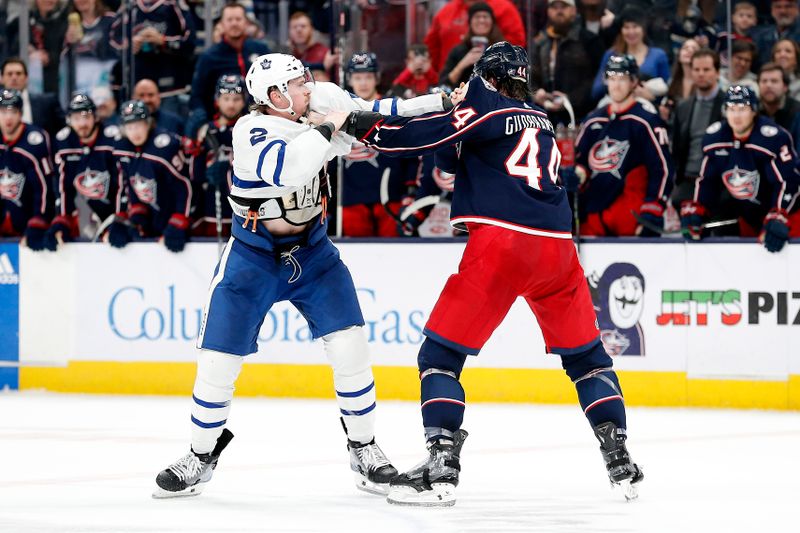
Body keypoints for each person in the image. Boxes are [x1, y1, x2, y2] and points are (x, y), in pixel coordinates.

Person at [343, 42, 643, 506]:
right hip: (559, 251)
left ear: (487, 76)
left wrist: (365, 128)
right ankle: (619, 457)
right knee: (588, 360)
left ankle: (441, 469)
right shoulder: (538, 116)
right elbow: (449, 160)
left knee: (439, 358)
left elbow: (428, 137)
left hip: (504, 244)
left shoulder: (486, 103)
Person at [152, 53, 452, 499]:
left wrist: (442, 100)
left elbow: (380, 110)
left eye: (307, 78)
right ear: (274, 96)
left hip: (312, 251)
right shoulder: (250, 130)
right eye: (298, 83)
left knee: (351, 346)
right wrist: (331, 126)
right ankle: (200, 455)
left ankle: (364, 450)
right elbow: (288, 167)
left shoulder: (320, 98)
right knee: (218, 362)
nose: (309, 87)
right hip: (252, 255)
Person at [681, 85, 800, 252]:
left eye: (743, 109)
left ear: (754, 111)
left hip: (788, 215)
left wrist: (780, 214)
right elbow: (708, 181)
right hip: (749, 215)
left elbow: (788, 181)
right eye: (731, 108)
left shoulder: (773, 138)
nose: (736, 115)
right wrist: (699, 208)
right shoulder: (714, 138)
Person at [571, 54, 674, 237]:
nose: (615, 85)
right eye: (611, 78)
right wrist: (577, 174)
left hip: (631, 215)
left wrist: (653, 209)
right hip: (595, 212)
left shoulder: (646, 120)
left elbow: (663, 169)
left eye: (622, 79)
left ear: (634, 82)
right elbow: (580, 161)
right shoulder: (594, 119)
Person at [340, 52, 418, 237]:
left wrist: (410, 189)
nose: (363, 83)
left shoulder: (392, 109)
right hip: (351, 199)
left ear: (377, 78)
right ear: (349, 80)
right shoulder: (338, 110)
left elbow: (410, 151)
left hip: (390, 197)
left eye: (368, 77)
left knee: (394, 256)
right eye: (358, 77)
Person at [112, 100, 192, 252]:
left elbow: (185, 186)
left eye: (138, 125)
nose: (134, 132)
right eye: (129, 127)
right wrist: (128, 216)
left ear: (148, 123)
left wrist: (180, 219)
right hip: (151, 217)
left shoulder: (165, 146)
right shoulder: (121, 148)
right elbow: (125, 184)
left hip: (174, 214)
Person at [47, 93, 124, 249]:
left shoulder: (112, 138)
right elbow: (63, 188)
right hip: (85, 212)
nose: (82, 123)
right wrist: (63, 219)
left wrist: (120, 220)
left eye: (86, 117)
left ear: (95, 117)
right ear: (69, 120)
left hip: (112, 209)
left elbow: (122, 184)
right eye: (76, 118)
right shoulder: (63, 141)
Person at [187, 2, 270, 137]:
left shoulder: (261, 50)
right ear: (222, 24)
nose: (234, 23)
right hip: (222, 124)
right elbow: (197, 96)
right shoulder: (209, 57)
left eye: (238, 19)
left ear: (246, 23)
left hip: (260, 121)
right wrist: (202, 122)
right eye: (229, 20)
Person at [190, 74, 246, 237]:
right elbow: (194, 174)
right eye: (226, 98)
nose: (231, 104)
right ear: (217, 100)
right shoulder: (206, 130)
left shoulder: (251, 129)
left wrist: (229, 169)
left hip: (242, 207)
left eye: (236, 99)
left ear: (244, 101)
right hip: (210, 206)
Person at [531, 0, 604, 124]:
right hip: (545, 117)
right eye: (554, 7)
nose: (559, 11)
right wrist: (536, 93)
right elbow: (530, 74)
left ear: (574, 10)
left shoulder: (590, 40)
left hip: (582, 116)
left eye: (564, 7)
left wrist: (570, 100)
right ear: (548, 11)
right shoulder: (540, 41)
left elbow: (599, 79)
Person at [670, 48, 725, 209]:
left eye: (706, 69)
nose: (701, 74)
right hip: (688, 178)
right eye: (697, 69)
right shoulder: (683, 107)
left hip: (719, 180)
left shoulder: (730, 106)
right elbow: (677, 148)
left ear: (717, 72)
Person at [110, 0, 196, 102]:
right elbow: (113, 43)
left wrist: (163, 41)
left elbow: (190, 43)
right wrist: (130, 46)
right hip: (137, 89)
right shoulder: (130, 6)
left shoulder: (174, 4)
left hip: (170, 88)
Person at [0, 89, 53, 251]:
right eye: (3, 111)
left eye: (13, 112)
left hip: (28, 220)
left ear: (21, 114)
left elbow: (44, 187)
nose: (8, 117)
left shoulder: (34, 139)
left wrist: (39, 220)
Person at [592, 7, 671, 103]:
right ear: (621, 30)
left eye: (635, 26)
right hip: (615, 107)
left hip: (647, 108)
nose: (631, 32)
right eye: (626, 27)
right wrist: (619, 81)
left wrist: (650, 97)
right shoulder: (611, 54)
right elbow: (595, 91)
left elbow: (667, 92)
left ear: (643, 28)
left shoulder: (658, 55)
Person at [424, 0, 526, 72]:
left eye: (485, 18)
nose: (481, 21)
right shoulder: (445, 12)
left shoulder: (505, 9)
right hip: (452, 84)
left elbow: (516, 48)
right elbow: (431, 49)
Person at [439, 3, 504, 88]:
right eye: (477, 17)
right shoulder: (458, 51)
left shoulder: (503, 49)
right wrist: (462, 64)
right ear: (470, 22)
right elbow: (444, 85)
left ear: (492, 22)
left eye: (485, 17)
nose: (481, 20)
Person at [0, 58, 65, 138]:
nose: (14, 78)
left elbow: (64, 132)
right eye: (10, 74)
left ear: (26, 78)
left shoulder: (47, 102)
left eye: (18, 73)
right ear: (2, 78)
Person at [757, 62, 800, 153]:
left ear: (785, 87)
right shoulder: (752, 111)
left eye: (774, 81)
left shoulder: (797, 111)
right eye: (764, 81)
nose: (768, 85)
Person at [288, 11, 338, 80]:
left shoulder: (324, 53)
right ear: (289, 31)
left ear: (311, 29)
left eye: (303, 26)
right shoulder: (288, 55)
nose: (299, 30)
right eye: (294, 27)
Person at [660, 38, 701, 122]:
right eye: (685, 48)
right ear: (679, 55)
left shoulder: (704, 82)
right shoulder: (672, 81)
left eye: (694, 49)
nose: (689, 50)